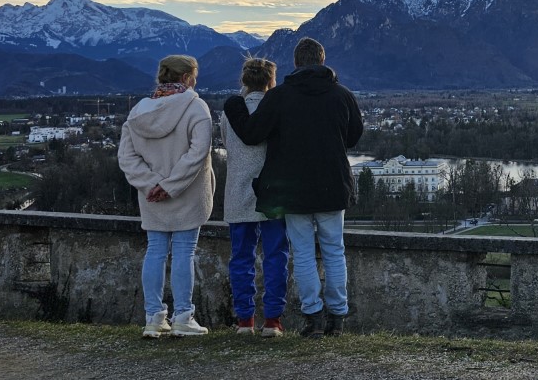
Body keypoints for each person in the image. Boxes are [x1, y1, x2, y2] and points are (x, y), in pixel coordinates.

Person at [223, 37, 364, 338]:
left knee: (302, 253)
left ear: (296, 62)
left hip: (294, 189)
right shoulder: (343, 95)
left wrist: (234, 105)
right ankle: (337, 316)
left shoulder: (280, 97)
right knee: (334, 251)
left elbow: (252, 134)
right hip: (333, 185)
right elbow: (353, 137)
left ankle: (313, 317)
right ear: (322, 60)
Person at [118, 54, 215, 338]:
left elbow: (127, 157)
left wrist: (151, 184)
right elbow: (198, 152)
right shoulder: (196, 107)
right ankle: (183, 316)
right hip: (188, 193)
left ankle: (153, 317)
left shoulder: (138, 112)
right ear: (186, 77)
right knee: (184, 251)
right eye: (193, 77)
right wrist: (171, 185)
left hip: (151, 196)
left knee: (155, 251)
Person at [220, 57, 289, 337]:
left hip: (238, 189)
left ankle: (244, 320)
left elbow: (227, 145)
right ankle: (272, 320)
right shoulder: (279, 108)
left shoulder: (230, 112)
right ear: (271, 80)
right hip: (273, 190)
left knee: (241, 257)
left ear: (244, 80)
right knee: (276, 255)